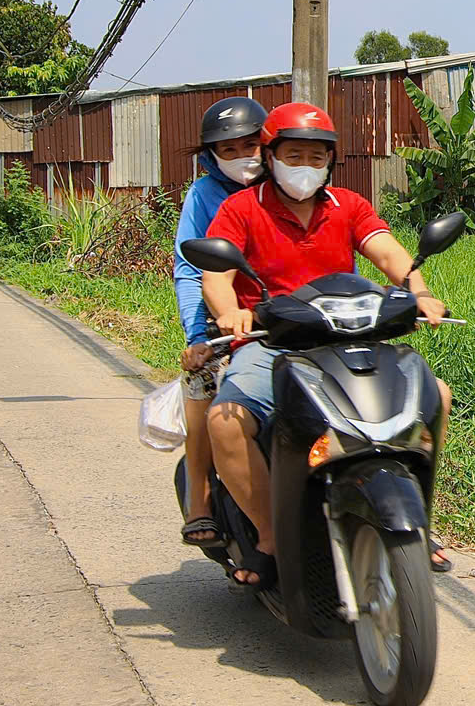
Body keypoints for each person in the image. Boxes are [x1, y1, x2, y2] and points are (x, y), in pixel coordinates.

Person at [199, 103, 453, 583]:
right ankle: (271, 534)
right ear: (270, 156)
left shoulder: (349, 206)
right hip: (270, 342)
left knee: (434, 396)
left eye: (317, 157)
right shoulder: (241, 208)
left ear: (331, 161)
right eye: (294, 154)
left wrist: (418, 292)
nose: (305, 167)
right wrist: (229, 310)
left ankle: (418, 519)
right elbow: (216, 277)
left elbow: (388, 253)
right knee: (226, 422)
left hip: (348, 337)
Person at [175, 96, 269, 551]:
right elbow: (191, 269)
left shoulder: (288, 184)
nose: (240, 158)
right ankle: (200, 497)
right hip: (225, 320)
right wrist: (200, 336)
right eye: (227, 150)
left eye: (249, 146)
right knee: (203, 389)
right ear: (211, 154)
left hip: (287, 314)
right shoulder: (203, 195)